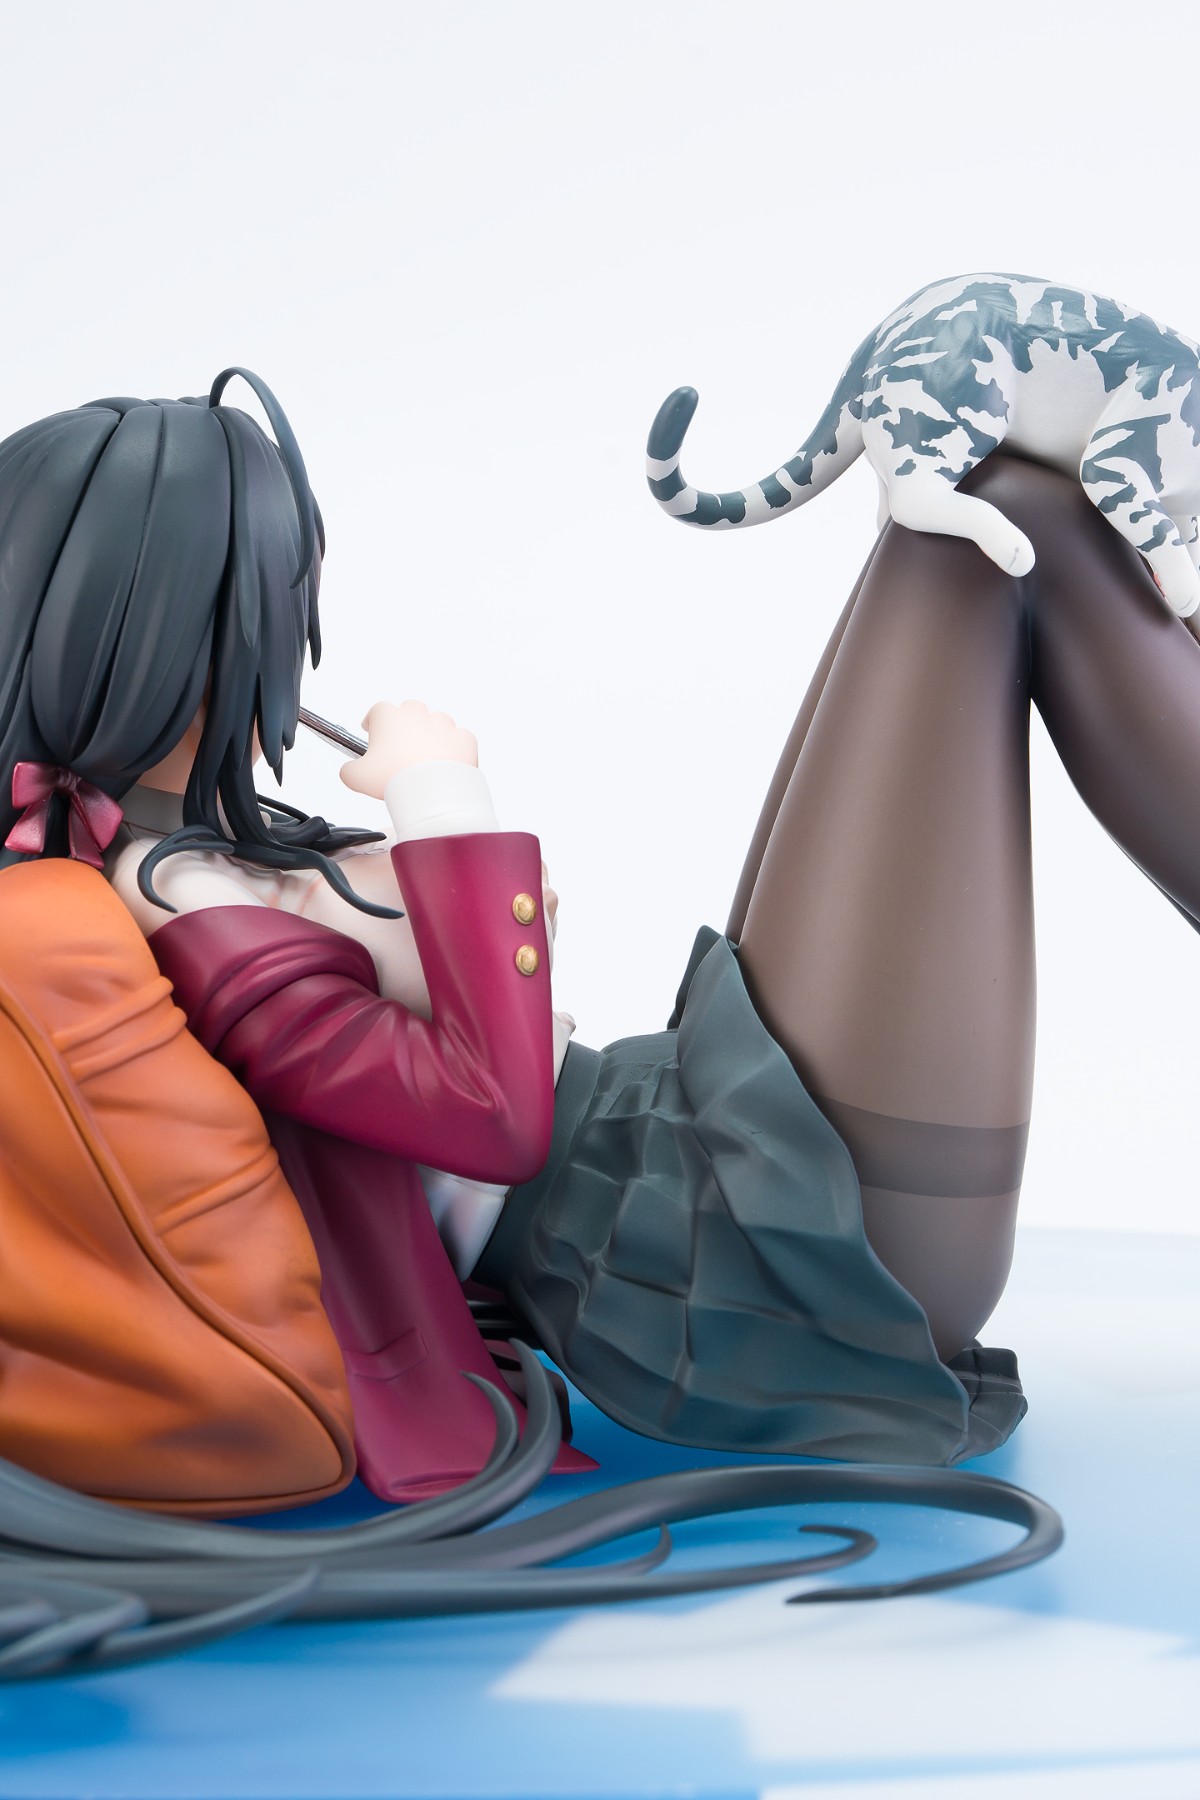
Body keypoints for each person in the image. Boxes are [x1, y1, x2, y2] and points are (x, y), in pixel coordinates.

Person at [0, 373, 1192, 1502]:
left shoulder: (183, 851)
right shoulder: (184, 901)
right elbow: (496, 1113)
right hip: (723, 1250)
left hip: (680, 1136)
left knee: (997, 513)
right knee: (994, 525)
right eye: (272, 601)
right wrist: (441, 802)